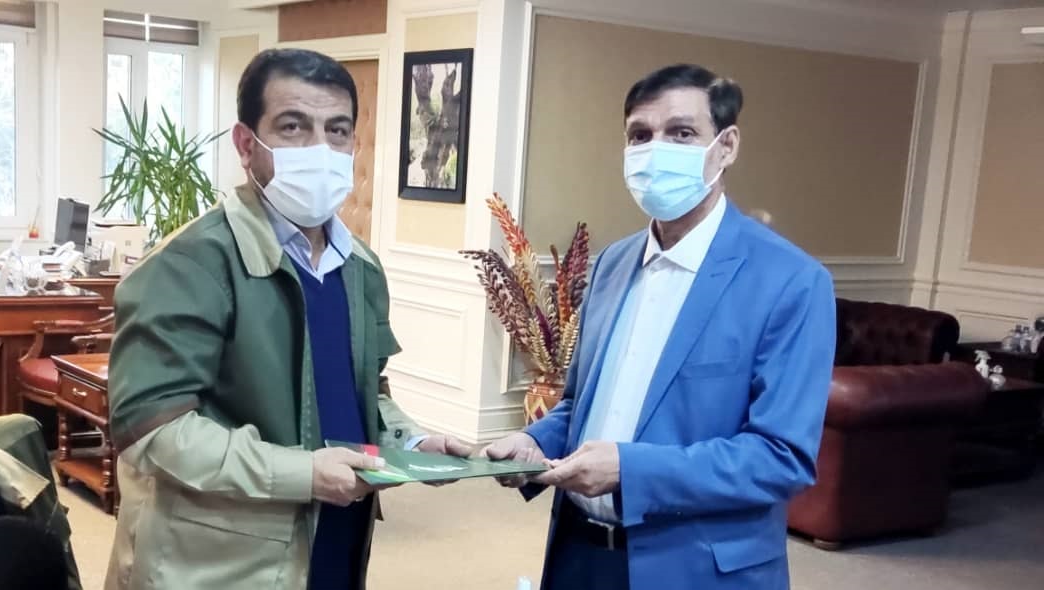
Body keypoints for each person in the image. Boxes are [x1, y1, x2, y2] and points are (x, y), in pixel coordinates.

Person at [104, 49, 469, 590]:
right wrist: (304, 474)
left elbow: (364, 393)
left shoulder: (360, 267)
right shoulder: (190, 264)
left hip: (337, 536)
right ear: (246, 144)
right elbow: (153, 431)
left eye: (337, 130)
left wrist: (410, 444)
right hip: (220, 564)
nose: (320, 149)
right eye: (294, 126)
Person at [483, 63, 836, 590]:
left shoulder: (790, 281)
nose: (655, 150)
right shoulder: (612, 264)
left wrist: (630, 470)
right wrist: (532, 441)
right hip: (578, 554)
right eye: (640, 135)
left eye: (681, 133)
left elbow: (780, 457)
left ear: (726, 146)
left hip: (696, 569)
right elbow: (581, 405)